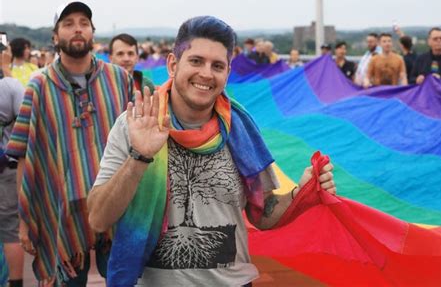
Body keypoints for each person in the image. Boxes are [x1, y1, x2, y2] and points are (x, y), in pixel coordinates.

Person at [87, 16, 336, 286]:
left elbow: (263, 215)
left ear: (227, 73)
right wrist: (139, 158)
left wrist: (302, 193)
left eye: (217, 66)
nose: (206, 73)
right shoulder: (135, 123)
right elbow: (99, 218)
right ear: (173, 64)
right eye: (196, 61)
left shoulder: (241, 130)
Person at [6, 1, 134, 286]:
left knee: (123, 279)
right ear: (55, 37)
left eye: (84, 23)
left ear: (92, 33)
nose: (77, 28)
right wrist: (25, 220)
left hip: (116, 206)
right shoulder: (39, 87)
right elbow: (23, 155)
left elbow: (139, 141)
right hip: (60, 213)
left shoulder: (119, 80)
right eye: (68, 23)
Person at [0, 76, 25, 287]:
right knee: (10, 228)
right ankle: (15, 282)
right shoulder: (9, 85)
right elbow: (27, 120)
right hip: (7, 168)